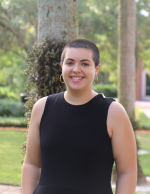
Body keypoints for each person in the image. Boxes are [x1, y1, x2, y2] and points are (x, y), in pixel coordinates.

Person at [21, 39, 137, 194]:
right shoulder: (42, 107)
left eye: (85, 63)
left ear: (96, 69)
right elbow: (32, 164)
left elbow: (127, 172)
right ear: (62, 67)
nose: (76, 69)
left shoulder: (113, 112)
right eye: (70, 63)